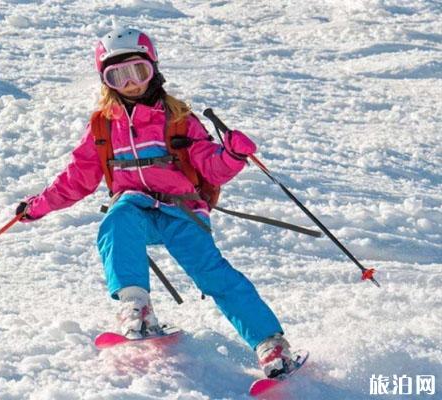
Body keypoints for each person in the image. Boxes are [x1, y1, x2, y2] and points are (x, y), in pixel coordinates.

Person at [16, 27, 295, 378]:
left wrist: (232, 155)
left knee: (213, 274)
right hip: (136, 209)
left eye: (138, 71)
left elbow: (212, 165)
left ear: (153, 69)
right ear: (106, 82)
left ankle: (270, 344)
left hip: (182, 211)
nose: (131, 83)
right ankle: (137, 308)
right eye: (117, 76)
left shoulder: (179, 120)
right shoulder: (103, 127)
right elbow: (77, 177)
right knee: (117, 221)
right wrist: (37, 206)